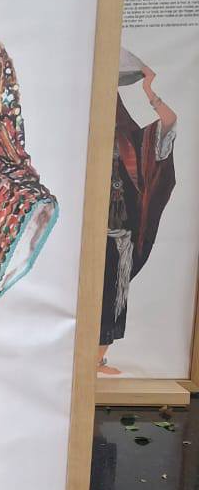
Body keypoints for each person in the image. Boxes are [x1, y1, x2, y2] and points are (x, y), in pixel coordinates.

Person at [98, 49, 176, 374]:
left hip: (119, 231)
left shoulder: (131, 137)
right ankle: (81, 358)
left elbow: (168, 122)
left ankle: (97, 358)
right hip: (86, 234)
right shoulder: (80, 135)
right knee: (86, 295)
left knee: (114, 295)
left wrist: (149, 90)